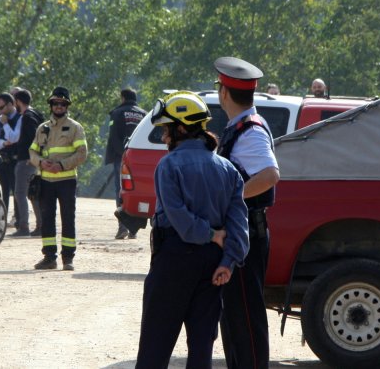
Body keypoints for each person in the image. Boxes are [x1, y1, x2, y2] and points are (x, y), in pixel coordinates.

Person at [135, 91, 249, 369]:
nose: (164, 138)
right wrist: (228, 262)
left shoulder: (169, 165)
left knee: (155, 344)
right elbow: (239, 224)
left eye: (167, 130)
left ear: (183, 129)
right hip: (213, 264)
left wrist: (210, 235)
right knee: (201, 347)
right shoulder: (229, 169)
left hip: (174, 259)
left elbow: (180, 219)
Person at [214, 57, 280, 369]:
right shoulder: (240, 126)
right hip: (242, 233)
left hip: (246, 235)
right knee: (233, 319)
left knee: (245, 320)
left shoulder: (250, 130)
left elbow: (269, 175)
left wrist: (232, 199)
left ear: (224, 92)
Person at [29, 86, 87, 270]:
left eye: (62, 103)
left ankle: (68, 258)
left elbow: (82, 153)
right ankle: (49, 257)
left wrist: (61, 165)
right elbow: (32, 151)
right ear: (51, 105)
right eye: (55, 103)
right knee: (47, 219)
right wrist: (40, 162)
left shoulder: (75, 127)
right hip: (46, 181)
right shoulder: (42, 128)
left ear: (67, 106)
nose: (59, 106)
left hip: (66, 181)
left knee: (68, 219)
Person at [107, 87, 147, 239]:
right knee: (136, 192)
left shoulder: (117, 113)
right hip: (140, 160)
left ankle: (122, 227)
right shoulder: (144, 114)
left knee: (121, 191)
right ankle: (133, 230)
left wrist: (123, 154)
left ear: (123, 98)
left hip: (122, 158)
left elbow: (113, 137)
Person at [10, 87, 44, 237]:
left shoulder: (27, 117)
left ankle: (23, 226)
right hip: (35, 161)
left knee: (20, 193)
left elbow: (32, 138)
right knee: (33, 193)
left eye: (14, 102)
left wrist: (31, 156)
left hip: (26, 161)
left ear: (18, 101)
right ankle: (41, 226)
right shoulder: (36, 114)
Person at [0, 92, 20, 216]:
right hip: (2, 160)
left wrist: (6, 124)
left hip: (15, 161)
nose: (0, 111)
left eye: (2, 107)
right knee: (1, 191)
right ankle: (2, 218)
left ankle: (19, 219)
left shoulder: (20, 118)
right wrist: (3, 143)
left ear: (11, 104)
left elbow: (13, 138)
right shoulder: (0, 119)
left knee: (17, 192)